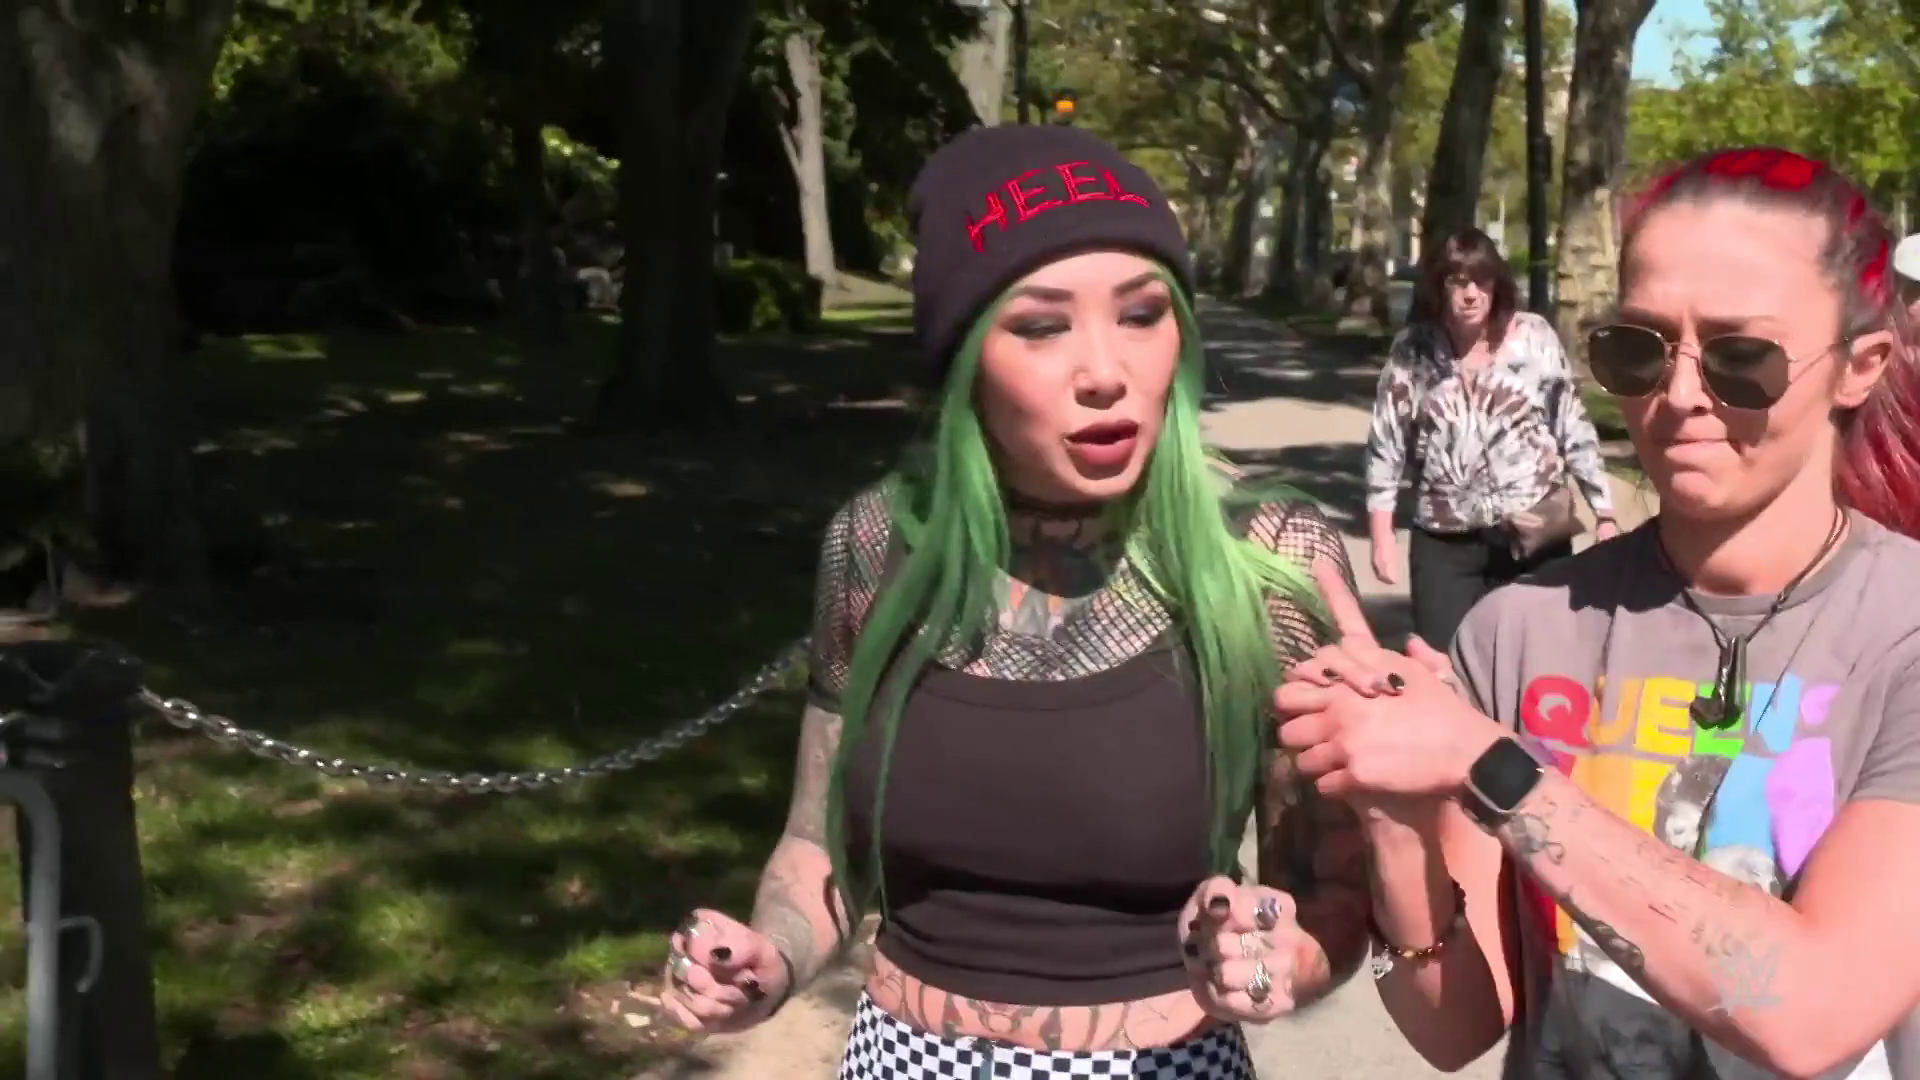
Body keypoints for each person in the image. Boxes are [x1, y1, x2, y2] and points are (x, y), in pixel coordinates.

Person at [654, 124, 1373, 1078]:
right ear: (963, 360)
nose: (1106, 372)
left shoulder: (1269, 556)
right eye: (1040, 326)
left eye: (1142, 314)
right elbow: (817, 845)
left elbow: (1327, 892)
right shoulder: (874, 545)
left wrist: (1283, 960)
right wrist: (769, 961)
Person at [1277, 146, 1920, 1079]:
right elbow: (1454, 1029)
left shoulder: (1901, 628)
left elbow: (1816, 1014)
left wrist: (1489, 768)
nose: (1681, 396)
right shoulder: (1518, 627)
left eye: (1742, 357)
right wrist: (1394, 817)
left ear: (1859, 367)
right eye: (1638, 349)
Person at [1363, 227, 1620, 651]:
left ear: (1496, 284)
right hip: (1445, 540)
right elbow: (1386, 442)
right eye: (1457, 282)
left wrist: (1604, 512)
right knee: (1444, 663)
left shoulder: (1534, 337)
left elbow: (1571, 423)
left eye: (1481, 281)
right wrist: (1381, 532)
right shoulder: (1413, 350)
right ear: (1438, 286)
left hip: (1533, 533)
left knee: (1537, 660)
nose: (1470, 295)